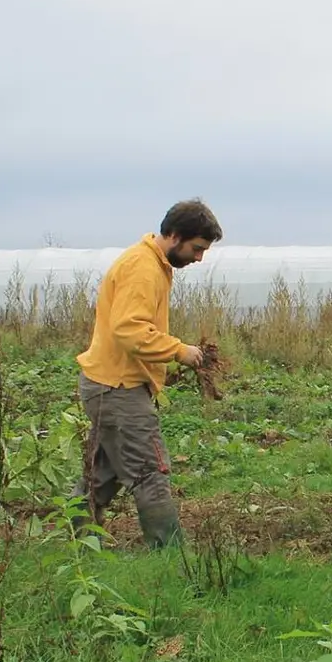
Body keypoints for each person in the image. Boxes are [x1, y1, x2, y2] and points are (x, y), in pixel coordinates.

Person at [72, 199, 221, 548]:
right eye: (197, 248)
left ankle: (77, 543)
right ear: (174, 235)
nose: (199, 258)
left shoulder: (150, 263)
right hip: (118, 390)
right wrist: (179, 352)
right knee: (150, 472)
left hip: (109, 384)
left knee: (102, 475)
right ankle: (170, 554)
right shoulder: (143, 268)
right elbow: (130, 330)